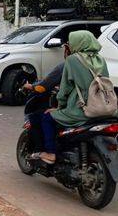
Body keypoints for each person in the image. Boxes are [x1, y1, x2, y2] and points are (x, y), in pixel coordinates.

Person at [33, 31, 106, 164]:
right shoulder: (100, 59)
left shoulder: (73, 60)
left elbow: (64, 90)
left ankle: (50, 153)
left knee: (46, 117)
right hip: (103, 107)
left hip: (81, 109)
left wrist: (59, 108)